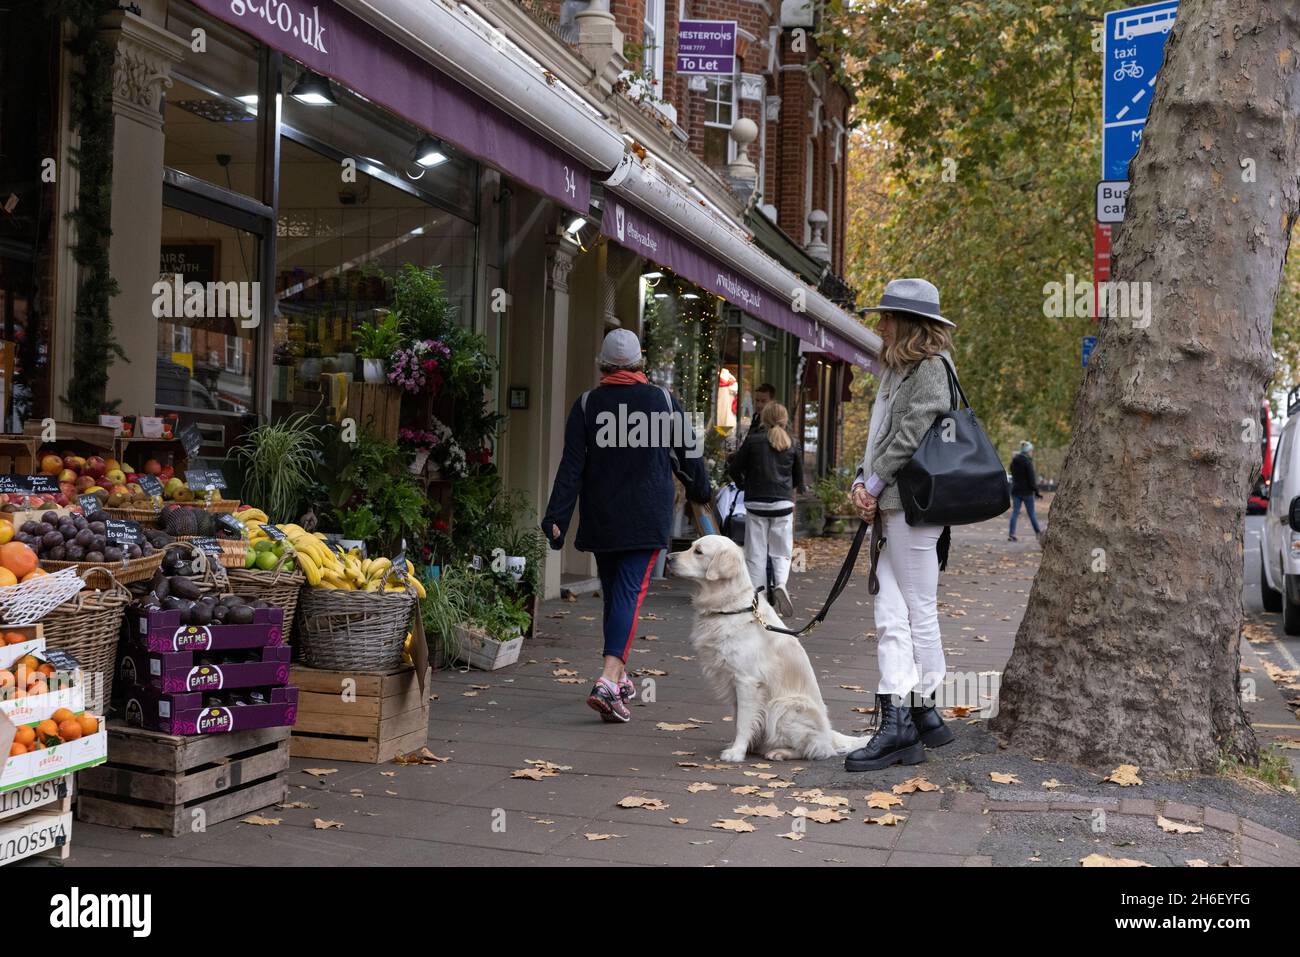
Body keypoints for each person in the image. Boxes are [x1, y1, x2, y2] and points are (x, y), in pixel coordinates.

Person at [542, 329, 711, 723]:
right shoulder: (665, 402)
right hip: (645, 517)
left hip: (602, 517)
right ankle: (606, 679)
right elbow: (690, 457)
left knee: (616, 592)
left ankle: (620, 678)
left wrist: (556, 519)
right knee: (629, 595)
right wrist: (701, 490)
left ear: (603, 364)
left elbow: (572, 467)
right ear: (641, 363)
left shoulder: (586, 405)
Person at [844, 278, 959, 772]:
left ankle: (921, 707)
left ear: (908, 323)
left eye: (887, 316)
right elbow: (879, 439)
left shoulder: (932, 369)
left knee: (917, 610)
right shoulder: (896, 371)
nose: (880, 323)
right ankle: (900, 722)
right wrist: (860, 481)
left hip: (914, 507)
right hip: (890, 505)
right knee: (890, 614)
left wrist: (871, 485)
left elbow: (910, 435)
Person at [727, 401, 803, 616]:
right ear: (784, 419)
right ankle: (780, 583)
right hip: (783, 504)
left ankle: (758, 597)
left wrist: (744, 485)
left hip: (756, 503)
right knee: (782, 551)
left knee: (755, 552)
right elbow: (797, 477)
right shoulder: (793, 443)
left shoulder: (753, 441)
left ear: (764, 418)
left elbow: (734, 468)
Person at [1008, 440, 1042, 542]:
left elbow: (1013, 475)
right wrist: (1036, 492)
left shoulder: (1013, 462)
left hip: (1016, 491)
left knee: (1015, 513)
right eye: (1031, 450)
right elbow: (1031, 480)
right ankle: (1038, 534)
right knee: (1031, 513)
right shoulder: (1027, 462)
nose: (1031, 452)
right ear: (1027, 451)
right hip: (1027, 492)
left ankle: (1011, 534)